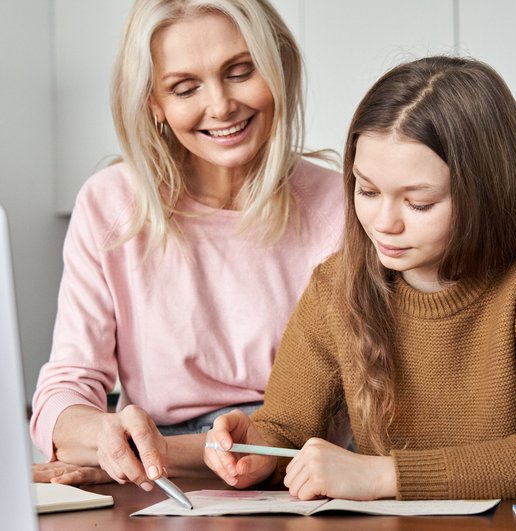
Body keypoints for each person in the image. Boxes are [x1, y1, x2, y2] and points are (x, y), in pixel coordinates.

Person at [204, 56, 516, 501]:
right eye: (368, 191)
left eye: (419, 203)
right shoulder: (336, 286)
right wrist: (257, 449)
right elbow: (286, 427)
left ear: (487, 194)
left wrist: (384, 476)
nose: (384, 223)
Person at [29, 0, 344, 492]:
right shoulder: (109, 204)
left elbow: (341, 413)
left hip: (294, 475)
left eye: (240, 72)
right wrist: (103, 437)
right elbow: (66, 386)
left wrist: (149, 454)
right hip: (156, 482)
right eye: (184, 87)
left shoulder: (342, 206)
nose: (220, 106)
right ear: (153, 103)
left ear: (279, 69)